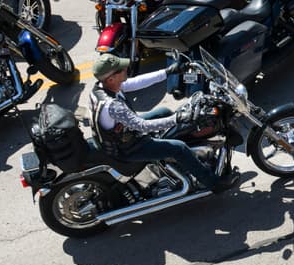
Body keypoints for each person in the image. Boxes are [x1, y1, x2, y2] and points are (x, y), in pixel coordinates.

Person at [90, 54, 233, 193]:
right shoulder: (113, 106)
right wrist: (177, 118)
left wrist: (167, 72)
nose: (126, 69)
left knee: (163, 111)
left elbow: (136, 82)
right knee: (179, 148)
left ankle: (178, 162)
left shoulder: (102, 87)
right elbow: (142, 126)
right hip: (127, 148)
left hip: (122, 135)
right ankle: (213, 183)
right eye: (121, 69)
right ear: (111, 79)